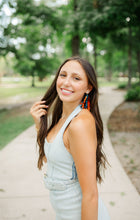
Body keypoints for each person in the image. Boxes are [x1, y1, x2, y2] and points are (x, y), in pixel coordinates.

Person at [30, 56, 110, 220]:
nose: (66, 83)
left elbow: (90, 195)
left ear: (88, 87)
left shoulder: (80, 123)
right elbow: (54, 161)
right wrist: (39, 126)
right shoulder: (62, 119)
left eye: (76, 78)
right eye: (63, 75)